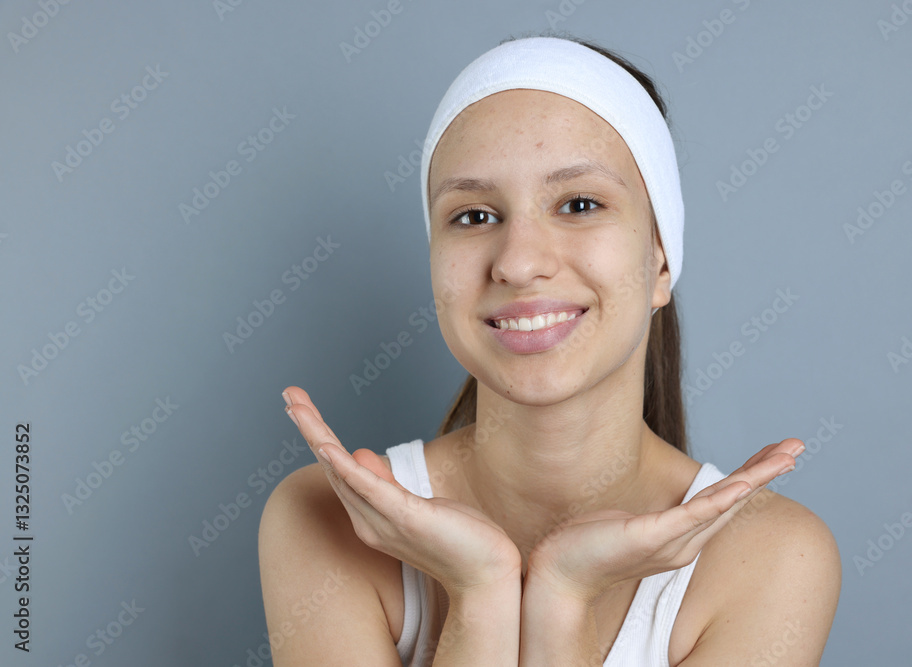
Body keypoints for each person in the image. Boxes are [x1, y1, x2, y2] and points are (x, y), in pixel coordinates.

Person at [259, 32, 841, 666]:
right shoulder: (325, 519)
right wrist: (480, 589)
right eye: (474, 216)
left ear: (660, 261)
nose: (518, 262)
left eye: (579, 204)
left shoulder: (774, 557)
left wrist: (563, 594)